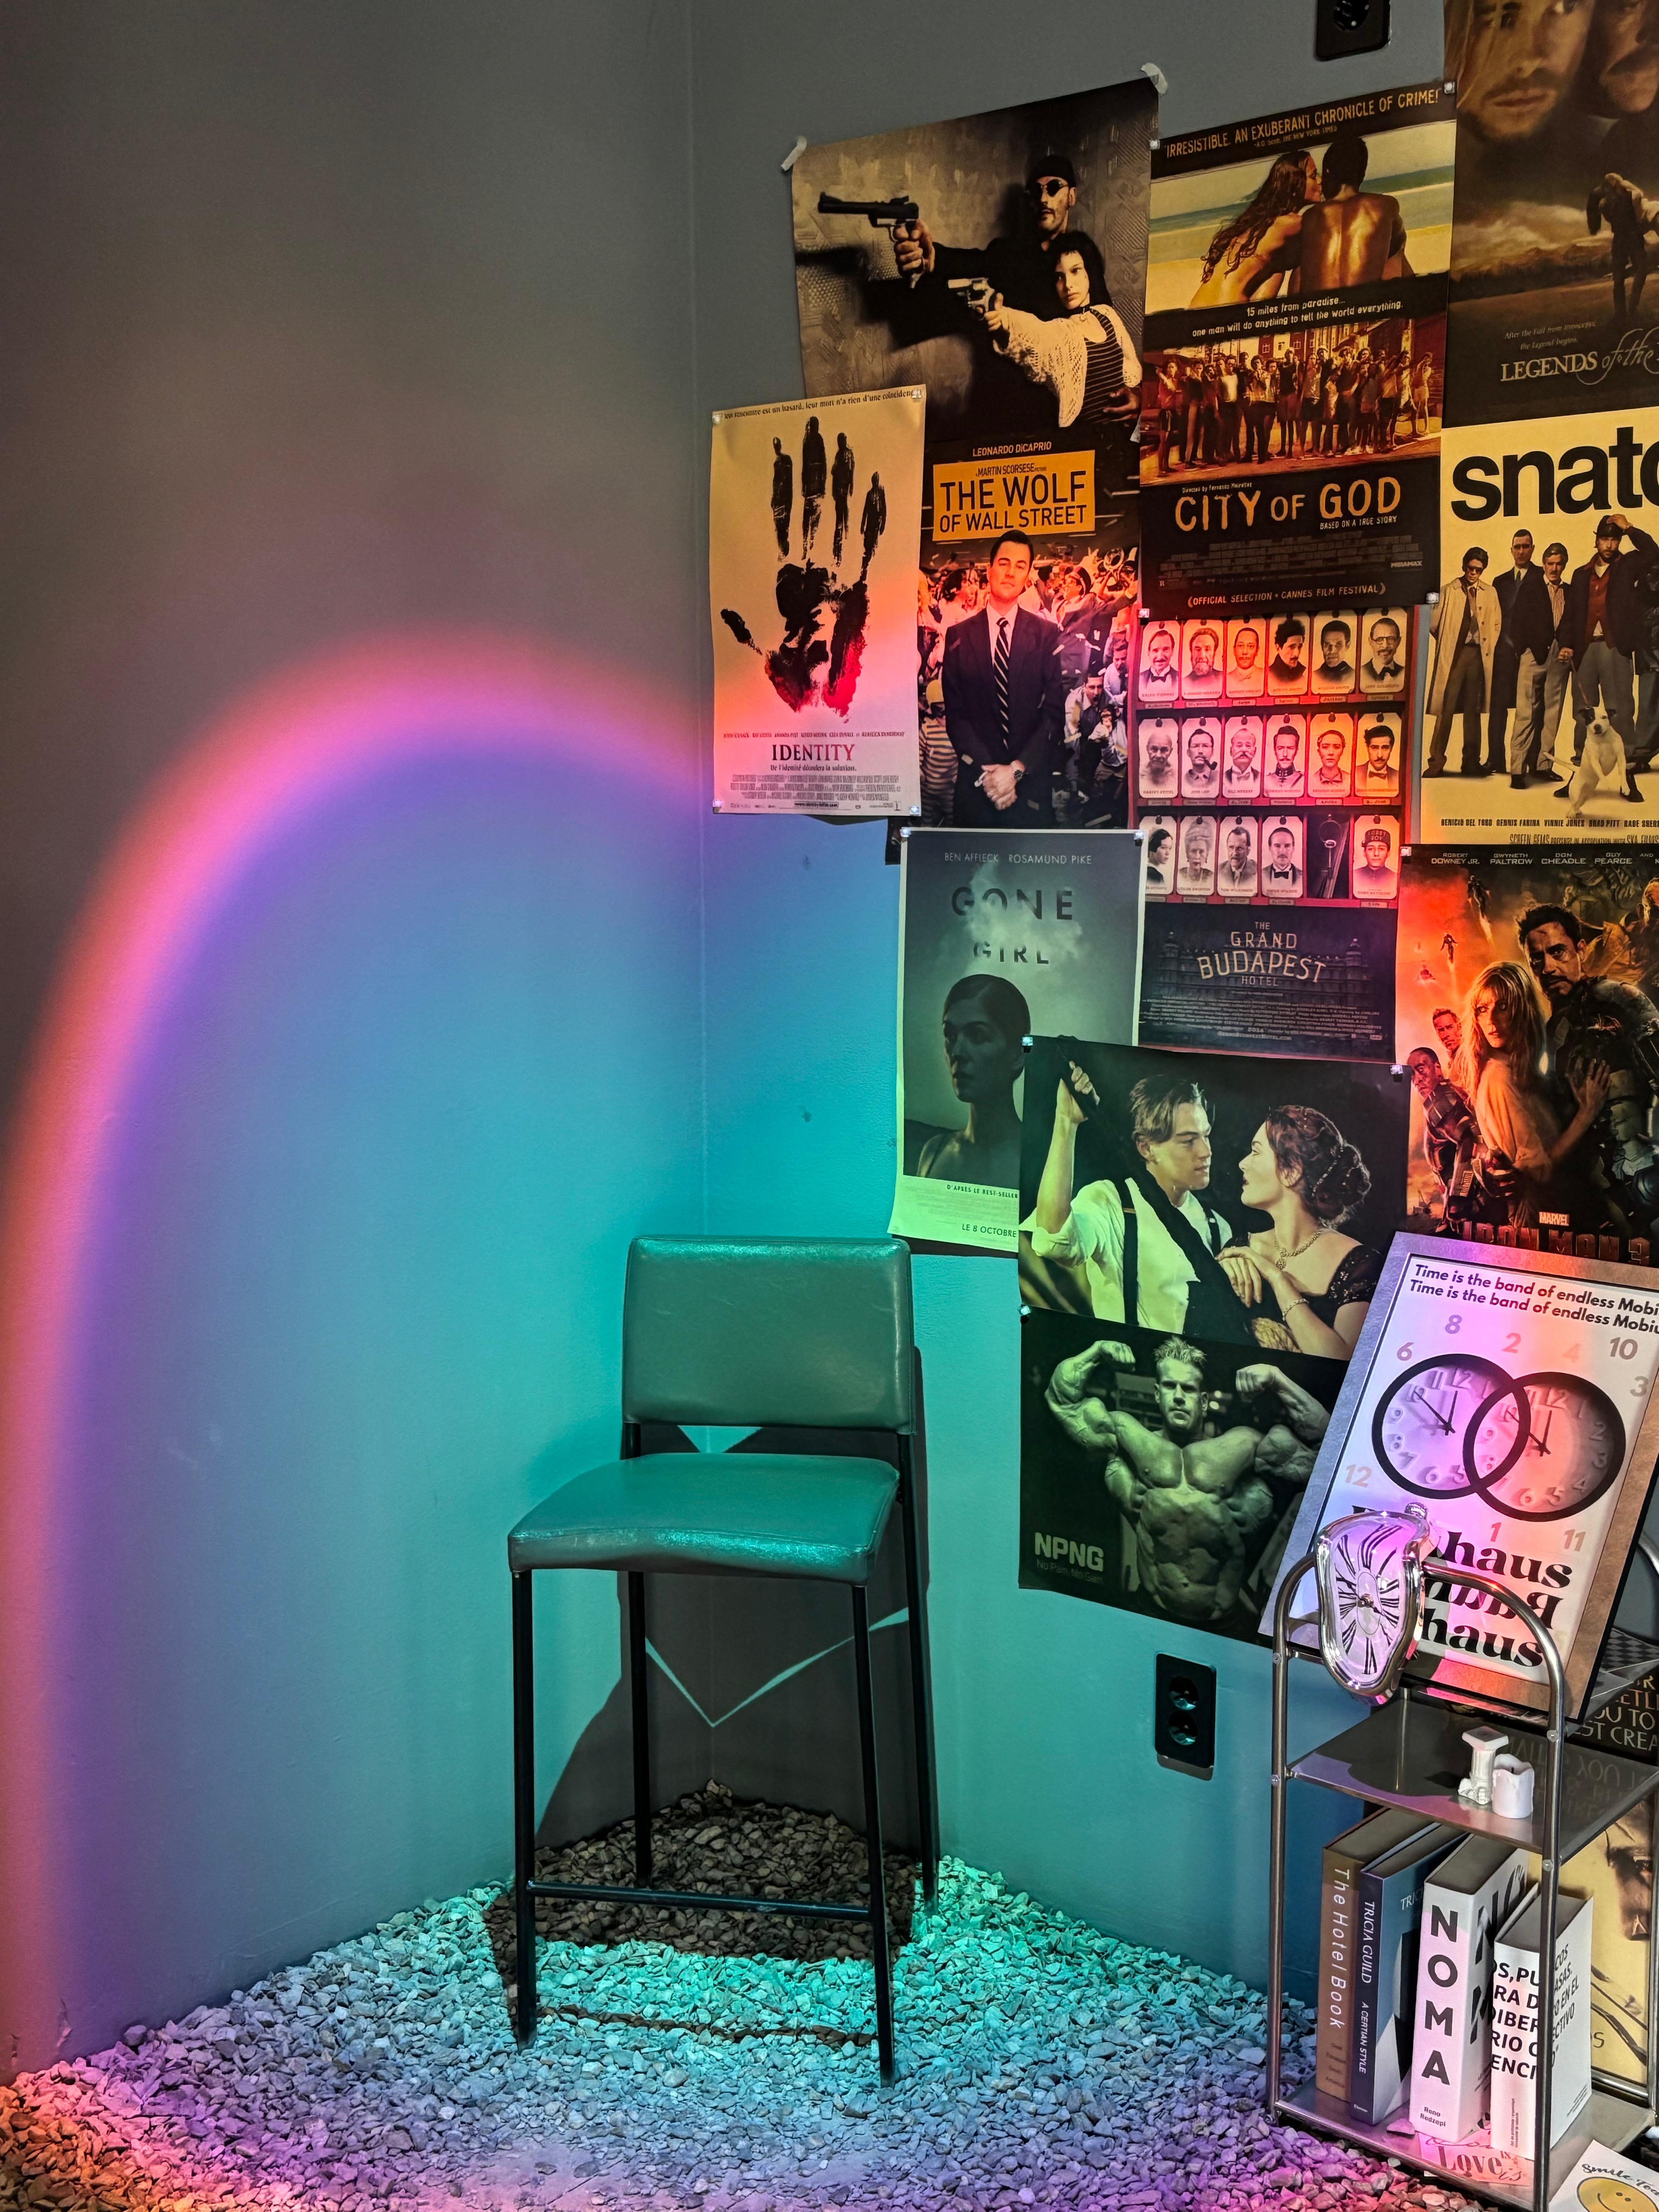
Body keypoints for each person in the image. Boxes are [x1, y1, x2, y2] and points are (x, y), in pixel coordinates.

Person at [1042, 1336, 1329, 1625]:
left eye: (1189, 1389)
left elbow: (1325, 1452)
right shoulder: (1129, 1439)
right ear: (1157, 1394)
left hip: (1221, 1624)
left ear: (1203, 1402)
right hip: (1149, 1610)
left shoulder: (1242, 1448)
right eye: (1170, 1386)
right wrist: (1096, 1352)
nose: (1179, 1396)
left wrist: (1278, 1380)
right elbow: (1062, 1402)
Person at [1025, 1067, 1249, 1335]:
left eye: (1206, 1136)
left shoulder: (1217, 1227)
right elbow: (1054, 1241)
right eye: (1189, 1141)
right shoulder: (1110, 1202)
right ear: (1147, 1148)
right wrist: (1066, 1123)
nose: (1206, 1151)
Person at [1520, 902, 1659, 1233]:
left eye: (1558, 952)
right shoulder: (1548, 1037)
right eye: (1537, 959)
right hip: (1596, 1196)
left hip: (1647, 1173)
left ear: (1581, 949)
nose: (1548, 967)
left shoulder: (1620, 1000)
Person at [1214, 1107, 1380, 1358]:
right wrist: (1218, 1270)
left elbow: (1339, 1360)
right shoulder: (1239, 1249)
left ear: (1291, 1171)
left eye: (1256, 1152)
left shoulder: (1360, 1264)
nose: (1243, 1163)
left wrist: (1276, 1277)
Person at [1457, 958, 1609, 1230]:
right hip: (1540, 1220)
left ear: (1523, 1010)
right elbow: (1539, 1170)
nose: (1491, 1021)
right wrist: (1587, 1113)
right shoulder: (1499, 1077)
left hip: (1554, 1212)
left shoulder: (1515, 1068)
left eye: (1503, 1007)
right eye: (1482, 1009)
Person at [941, 528, 1064, 827]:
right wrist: (993, 776)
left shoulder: (1047, 635)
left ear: (1028, 576)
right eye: (1004, 563)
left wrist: (1016, 771)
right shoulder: (958, 636)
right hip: (978, 791)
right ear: (990, 569)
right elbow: (956, 717)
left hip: (1030, 793)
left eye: (1020, 566)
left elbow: (1053, 715)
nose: (1011, 573)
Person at [971, 232, 1143, 440]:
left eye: (1075, 271)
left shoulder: (1107, 315)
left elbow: (1132, 371)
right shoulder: (1059, 331)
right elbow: (1033, 334)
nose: (1068, 284)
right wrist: (1004, 320)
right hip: (1088, 444)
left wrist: (1138, 396)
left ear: (1089, 272)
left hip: (1130, 437)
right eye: (1059, 277)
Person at [895, 152, 1085, 315]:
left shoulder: (1085, 254)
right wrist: (932, 257)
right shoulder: (1009, 253)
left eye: (1054, 188)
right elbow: (972, 263)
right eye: (1037, 191)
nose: (1043, 199)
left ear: (1072, 196)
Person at [1560, 512, 1657, 799]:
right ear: (1596, 541)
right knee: (1583, 714)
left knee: (1622, 713)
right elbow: (1570, 615)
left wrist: (1630, 528)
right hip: (1585, 650)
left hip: (1616, 649)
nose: (1610, 545)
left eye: (1614, 540)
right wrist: (1566, 644)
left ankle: (1627, 780)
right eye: (1604, 539)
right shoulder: (1580, 575)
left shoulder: (1628, 567)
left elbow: (1654, 554)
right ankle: (1578, 778)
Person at [915, 975, 1030, 1188]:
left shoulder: (1044, 1161)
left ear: (1018, 1054)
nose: (957, 1052)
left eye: (977, 1036)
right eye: (950, 1036)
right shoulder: (934, 1153)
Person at [1191, 148, 1320, 307]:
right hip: (1226, 310)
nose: (1320, 181)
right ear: (1295, 185)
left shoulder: (1260, 223)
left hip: (1197, 307)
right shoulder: (1292, 223)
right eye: (1314, 176)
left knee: (1278, 265)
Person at [1290, 129, 1410, 291]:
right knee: (1397, 248)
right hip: (1364, 305)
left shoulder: (1310, 216)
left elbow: (1298, 283)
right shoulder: (1384, 206)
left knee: (1300, 265)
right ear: (1362, 173)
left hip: (1320, 306)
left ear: (1328, 172)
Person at [1489, 528, 1559, 782]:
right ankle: (1496, 759)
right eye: (1517, 547)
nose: (1521, 551)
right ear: (1511, 550)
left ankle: (1536, 763)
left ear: (1533, 549)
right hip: (1505, 651)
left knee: (1538, 708)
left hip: (1535, 651)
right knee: (1500, 706)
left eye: (1526, 546)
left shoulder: (1543, 576)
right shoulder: (1500, 582)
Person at [1425, 546, 1501, 777]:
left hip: (1478, 656)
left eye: (1479, 570)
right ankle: (1436, 762)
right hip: (1455, 656)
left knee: (1473, 710)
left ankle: (1471, 763)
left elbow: (1496, 624)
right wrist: (1449, 642)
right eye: (1471, 568)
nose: (1474, 573)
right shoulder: (1448, 590)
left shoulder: (1490, 592)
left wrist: (1486, 644)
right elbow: (1434, 623)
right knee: (1446, 708)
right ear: (1464, 566)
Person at [1513, 539, 1573, 782]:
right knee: (1526, 713)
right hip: (1533, 655)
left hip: (1560, 656)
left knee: (1552, 713)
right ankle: (1518, 770)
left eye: (1559, 564)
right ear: (1544, 564)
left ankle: (1543, 766)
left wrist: (1568, 646)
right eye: (1550, 563)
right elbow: (1516, 622)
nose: (1554, 568)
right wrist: (1523, 650)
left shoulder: (1570, 591)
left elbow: (1575, 622)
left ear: (1564, 565)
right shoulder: (1531, 588)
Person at [1408, 1045, 1485, 1232]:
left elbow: (1471, 1139)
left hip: (1474, 1207)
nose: (1417, 1080)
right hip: (1467, 1204)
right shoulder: (1445, 1094)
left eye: (1421, 1070)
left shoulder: (1440, 1101)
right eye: (1412, 1075)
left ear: (1437, 1069)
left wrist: (1459, 1199)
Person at [1588, 171, 1659, 320]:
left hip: (1634, 238)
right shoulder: (1604, 205)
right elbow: (1611, 219)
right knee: (1619, 278)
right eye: (1610, 191)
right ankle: (1621, 313)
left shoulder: (1633, 196)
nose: (1613, 194)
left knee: (1642, 271)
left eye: (1615, 190)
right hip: (1621, 239)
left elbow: (1639, 204)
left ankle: (1633, 306)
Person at [1351, 821, 1399, 899]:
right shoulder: (1355, 875)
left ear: (1388, 853)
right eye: (1371, 849)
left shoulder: (1395, 877)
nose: (1376, 854)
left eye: (1381, 849)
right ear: (1364, 853)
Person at [800, 416, 827, 556]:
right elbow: (805, 466)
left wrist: (822, 487)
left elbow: (823, 464)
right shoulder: (808, 440)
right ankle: (807, 544)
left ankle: (810, 545)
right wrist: (805, 486)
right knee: (809, 519)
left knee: (813, 519)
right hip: (812, 489)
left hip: (815, 489)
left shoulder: (816, 440)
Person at [1360, 613, 1406, 692]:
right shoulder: (1360, 673)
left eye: (1391, 639)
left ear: (1398, 642)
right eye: (1379, 640)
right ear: (1371, 641)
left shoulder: (1406, 673)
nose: (1385, 646)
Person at [1353, 721, 1399, 798]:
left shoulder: (1398, 776)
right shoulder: (1354, 773)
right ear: (1368, 748)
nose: (1380, 755)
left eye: (1385, 748)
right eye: (1375, 748)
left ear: (1391, 749)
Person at [830, 432, 855, 568]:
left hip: (844, 492)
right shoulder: (840, 455)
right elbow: (835, 472)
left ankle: (841, 552)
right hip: (841, 493)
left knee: (844, 522)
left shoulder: (847, 455)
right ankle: (838, 553)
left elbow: (851, 472)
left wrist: (851, 488)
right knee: (840, 522)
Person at [1313, 618, 1355, 694]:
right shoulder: (1314, 677)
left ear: (1348, 646)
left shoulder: (1354, 676)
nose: (1332, 651)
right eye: (1327, 645)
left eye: (1338, 645)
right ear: (1322, 646)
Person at [1139, 625, 1180, 702]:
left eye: (1166, 650)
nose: (1160, 656)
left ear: (1172, 651)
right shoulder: (1139, 678)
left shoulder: (1181, 678)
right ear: (1149, 653)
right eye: (1155, 651)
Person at [1267, 617, 1309, 693]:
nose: (1297, 653)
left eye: (1300, 647)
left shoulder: (1304, 675)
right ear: (1278, 648)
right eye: (1292, 647)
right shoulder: (1270, 675)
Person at [1139, 718, 1178, 798]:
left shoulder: (1176, 775)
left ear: (1171, 752)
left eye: (1164, 750)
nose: (1158, 756)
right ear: (1147, 749)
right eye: (1154, 749)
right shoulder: (1140, 774)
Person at [1176, 817, 1216, 894]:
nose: (1197, 856)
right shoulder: (1179, 875)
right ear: (1187, 853)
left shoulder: (1211, 877)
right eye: (1194, 851)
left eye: (1202, 852)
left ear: (1207, 854)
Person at [859, 472, 887, 579]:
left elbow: (884, 510)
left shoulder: (881, 493)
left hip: (877, 522)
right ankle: (865, 565)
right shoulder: (870, 494)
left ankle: (869, 565)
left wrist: (883, 524)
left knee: (873, 545)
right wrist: (863, 525)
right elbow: (865, 510)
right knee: (867, 545)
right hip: (870, 522)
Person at [1182, 721, 1221, 799]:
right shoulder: (1183, 779)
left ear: (1212, 752)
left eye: (1206, 746)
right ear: (1188, 752)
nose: (1200, 751)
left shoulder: (1220, 777)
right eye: (1195, 746)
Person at [1224, 720, 1262, 799]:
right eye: (1239, 746)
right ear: (1231, 751)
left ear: (1255, 751)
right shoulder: (1222, 779)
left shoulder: (1261, 778)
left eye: (1248, 746)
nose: (1244, 750)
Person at [1261, 821, 1302, 893]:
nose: (1283, 851)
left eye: (1287, 846)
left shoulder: (1303, 876)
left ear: (1293, 849)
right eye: (1277, 846)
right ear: (1270, 848)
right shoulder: (1260, 875)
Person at [1265, 720, 1304, 795]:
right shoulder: (1266, 781)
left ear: (1297, 751)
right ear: (1275, 750)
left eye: (1290, 748)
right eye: (1281, 748)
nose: (1285, 754)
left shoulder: (1303, 780)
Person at [1218, 819, 1257, 893]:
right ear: (1227, 847)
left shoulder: (1258, 870)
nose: (1235, 853)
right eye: (1231, 847)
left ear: (1248, 851)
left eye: (1240, 848)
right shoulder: (1219, 870)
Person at [1185, 625, 1223, 698]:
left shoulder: (1225, 678)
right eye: (1198, 650)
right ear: (1191, 652)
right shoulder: (1184, 682)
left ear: (1214, 653)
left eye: (1207, 649)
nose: (1202, 656)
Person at [769, 436, 792, 558]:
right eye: (775, 446)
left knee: (783, 526)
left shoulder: (786, 460)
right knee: (778, 526)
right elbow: (776, 483)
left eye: (777, 446)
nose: (776, 448)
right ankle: (782, 550)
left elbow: (785, 481)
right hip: (778, 500)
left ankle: (784, 551)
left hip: (784, 499)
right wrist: (774, 498)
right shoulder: (777, 462)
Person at [1311, 723, 1350, 794]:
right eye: (1325, 747)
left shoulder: (1350, 780)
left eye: (1337, 747)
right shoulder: (1311, 780)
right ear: (1319, 752)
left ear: (1342, 752)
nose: (1331, 753)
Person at [1228, 623, 1265, 697]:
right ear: (1234, 650)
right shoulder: (1227, 679)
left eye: (1251, 646)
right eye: (1241, 646)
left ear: (1257, 651)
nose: (1245, 652)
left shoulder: (1266, 676)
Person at [1145, 823, 1174, 891]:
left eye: (1170, 848)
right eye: (1163, 848)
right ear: (1152, 848)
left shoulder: (1148, 870)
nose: (1168, 853)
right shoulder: (1155, 875)